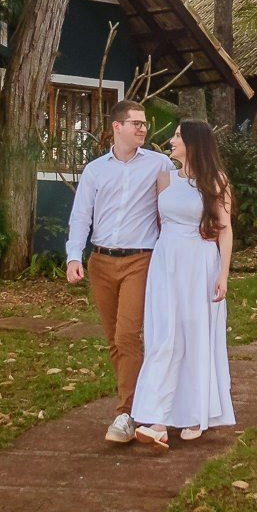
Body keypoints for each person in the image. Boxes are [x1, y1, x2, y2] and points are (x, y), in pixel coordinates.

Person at [67, 99, 173, 443]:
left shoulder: (159, 164)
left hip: (140, 260)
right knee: (114, 339)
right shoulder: (95, 170)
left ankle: (127, 413)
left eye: (144, 124)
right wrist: (73, 256)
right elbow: (81, 216)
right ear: (117, 127)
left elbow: (175, 206)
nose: (143, 129)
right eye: (136, 123)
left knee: (128, 335)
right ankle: (138, 406)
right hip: (100, 262)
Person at [128, 119, 235, 450]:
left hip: (199, 263)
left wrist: (222, 274)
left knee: (195, 335)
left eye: (177, 136)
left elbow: (225, 229)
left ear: (193, 143)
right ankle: (157, 419)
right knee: (164, 336)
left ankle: (195, 414)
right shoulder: (165, 178)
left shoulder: (215, 181)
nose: (171, 140)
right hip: (166, 262)